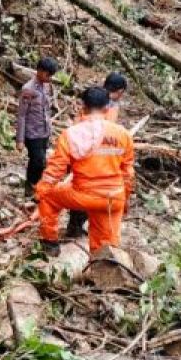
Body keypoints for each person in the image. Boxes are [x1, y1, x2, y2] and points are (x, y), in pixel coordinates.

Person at [37, 86, 135, 255]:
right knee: (106, 243)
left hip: (84, 196)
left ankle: (50, 243)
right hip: (113, 198)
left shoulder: (70, 134)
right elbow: (128, 174)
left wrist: (41, 190)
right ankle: (102, 267)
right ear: (107, 108)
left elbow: (55, 170)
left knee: (48, 198)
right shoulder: (123, 135)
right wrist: (124, 200)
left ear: (83, 107)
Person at [67, 69, 130, 235]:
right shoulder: (103, 104)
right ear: (119, 91)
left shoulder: (99, 100)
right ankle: (75, 226)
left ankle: (78, 224)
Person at [16, 57, 59, 196]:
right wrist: (20, 140)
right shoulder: (28, 89)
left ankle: (36, 186)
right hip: (32, 133)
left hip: (44, 131)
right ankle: (31, 185)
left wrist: (50, 131)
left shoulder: (47, 86)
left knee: (41, 161)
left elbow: (47, 109)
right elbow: (22, 115)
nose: (50, 78)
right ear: (39, 71)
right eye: (48, 75)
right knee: (37, 161)